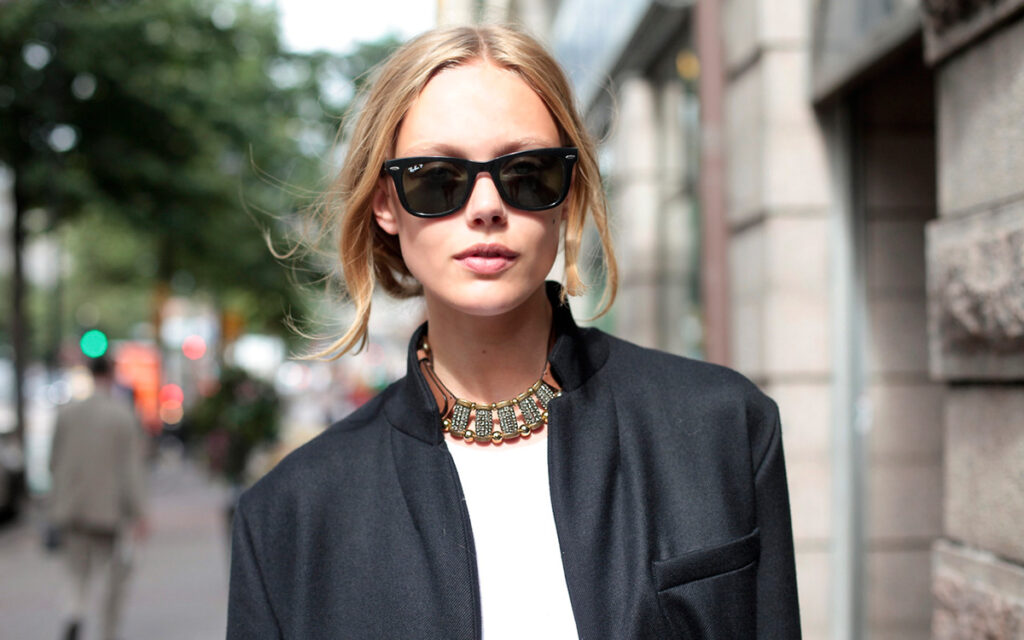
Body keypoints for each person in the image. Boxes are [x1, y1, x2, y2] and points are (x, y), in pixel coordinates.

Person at [228, 25, 800, 639]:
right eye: (436, 178)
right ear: (384, 202)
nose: (485, 207)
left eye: (527, 173)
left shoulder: (722, 425)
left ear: (568, 193)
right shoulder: (290, 515)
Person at [50, 356, 148, 640]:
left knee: (75, 572)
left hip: (71, 508)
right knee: (111, 577)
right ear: (112, 374)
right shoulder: (122, 416)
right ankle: (107, 632)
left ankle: (74, 613)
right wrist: (139, 512)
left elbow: (53, 462)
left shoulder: (67, 413)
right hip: (107, 510)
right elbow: (131, 469)